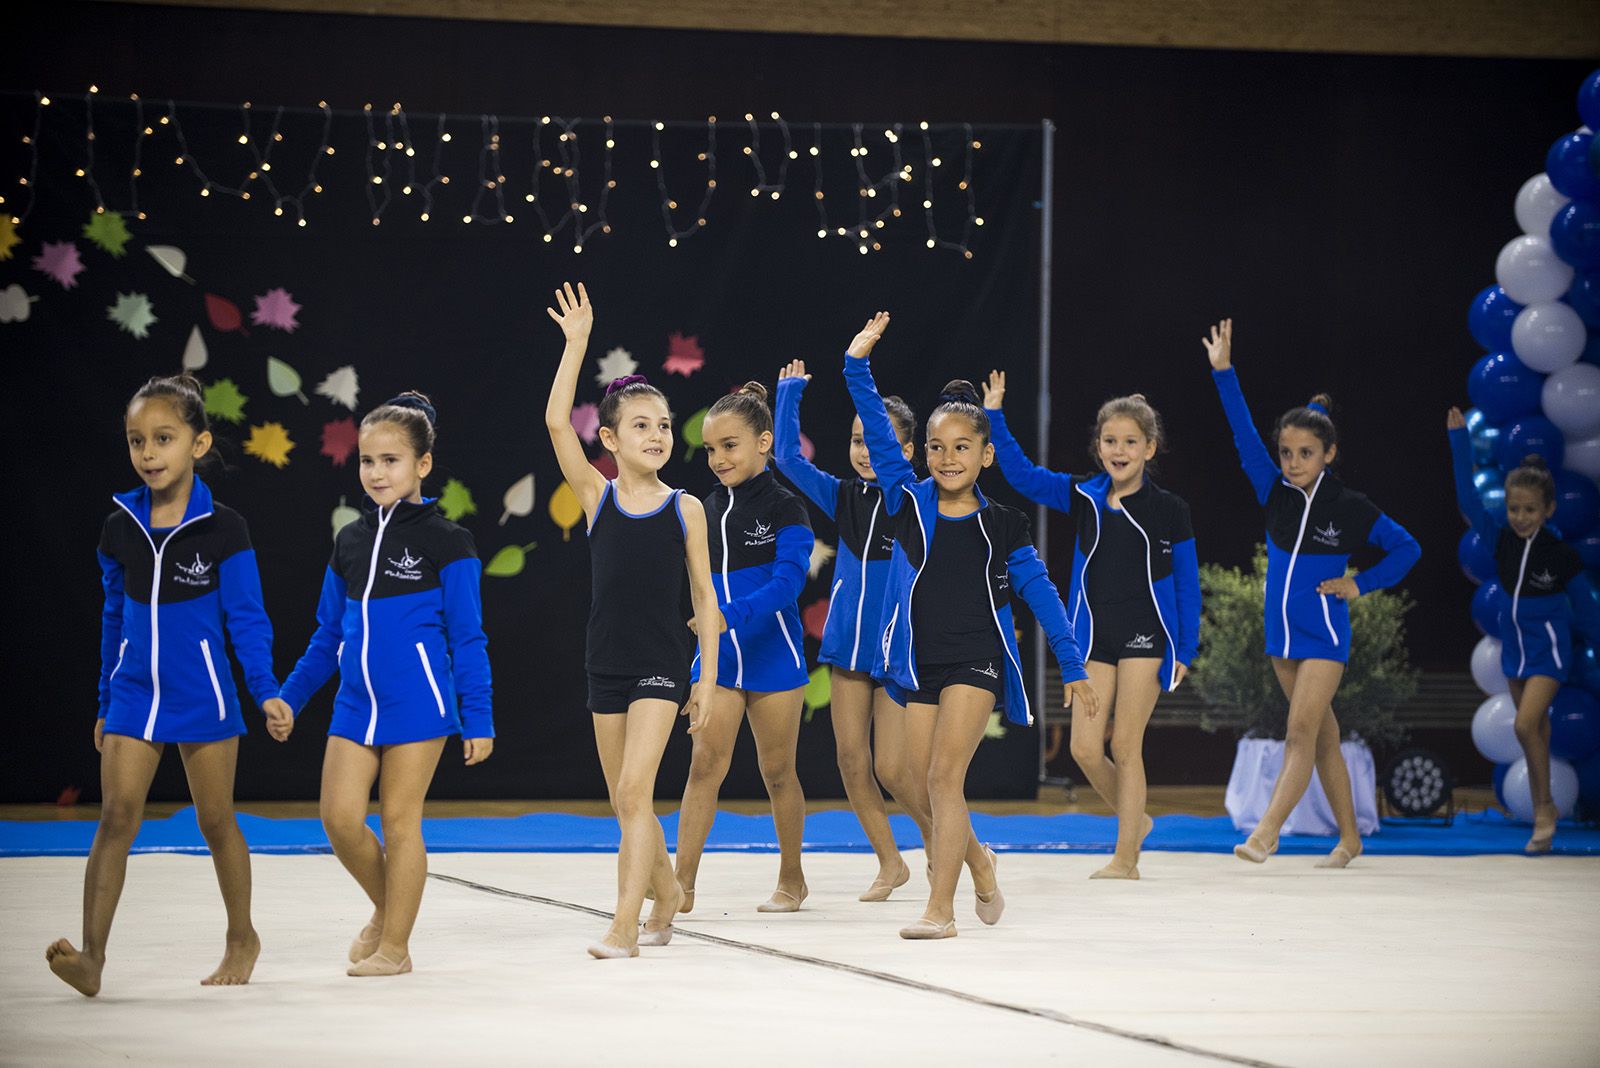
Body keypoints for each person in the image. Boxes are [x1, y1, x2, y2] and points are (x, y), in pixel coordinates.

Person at [842, 312, 1098, 939]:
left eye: (962, 448)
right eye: (936, 447)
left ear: (987, 455)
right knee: (915, 781)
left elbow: (1039, 592)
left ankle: (941, 909)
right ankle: (980, 862)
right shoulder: (909, 503)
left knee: (941, 777)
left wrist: (1069, 661)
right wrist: (857, 365)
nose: (948, 458)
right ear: (921, 455)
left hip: (977, 658)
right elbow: (878, 429)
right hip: (917, 661)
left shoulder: (1004, 523)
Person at [47, 373, 282, 996]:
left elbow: (247, 618)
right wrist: (104, 700)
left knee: (215, 820)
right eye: (136, 441)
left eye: (163, 438)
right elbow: (112, 618)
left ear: (199, 444)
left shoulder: (224, 528)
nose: (148, 453)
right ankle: (92, 958)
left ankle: (242, 936)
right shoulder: (119, 526)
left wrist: (265, 690)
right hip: (133, 694)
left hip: (203, 692)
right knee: (116, 817)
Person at [272, 391, 493, 976]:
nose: (376, 472)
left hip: (419, 702)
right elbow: (327, 636)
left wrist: (480, 718)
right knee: (340, 820)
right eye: (368, 460)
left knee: (400, 824)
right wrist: (290, 698)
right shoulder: (349, 539)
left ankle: (395, 946)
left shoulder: (450, 542)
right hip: (354, 704)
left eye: (391, 460)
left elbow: (468, 639)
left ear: (422, 464)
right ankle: (388, 910)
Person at [544, 282, 719, 956]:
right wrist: (577, 344)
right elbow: (559, 424)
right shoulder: (596, 496)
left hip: (661, 665)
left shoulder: (686, 508)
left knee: (632, 787)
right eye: (640, 425)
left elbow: (705, 599)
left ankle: (625, 924)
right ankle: (667, 892)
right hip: (605, 662)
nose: (656, 435)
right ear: (611, 438)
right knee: (626, 803)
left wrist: (704, 681)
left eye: (665, 425)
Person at [1205, 319, 1419, 867]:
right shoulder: (1272, 490)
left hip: (1324, 633)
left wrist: (1359, 583)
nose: (1293, 462)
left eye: (1305, 453)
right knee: (1323, 738)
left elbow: (1406, 549)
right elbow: (1241, 433)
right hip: (1281, 635)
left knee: (1300, 729)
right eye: (1286, 452)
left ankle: (1266, 834)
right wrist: (1224, 372)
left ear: (1329, 454)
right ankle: (1350, 838)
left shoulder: (1349, 506)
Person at [982, 373, 1199, 878]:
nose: (1118, 451)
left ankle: (1126, 859)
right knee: (1083, 747)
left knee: (1125, 745)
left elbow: (1187, 586)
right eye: (1109, 441)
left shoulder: (1170, 510)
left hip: (1146, 637)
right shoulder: (1085, 496)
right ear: (1097, 447)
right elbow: (1022, 476)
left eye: (1129, 442)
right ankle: (1134, 820)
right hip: (1094, 638)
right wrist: (995, 415)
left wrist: (1185, 649)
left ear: (1150, 447)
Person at [774, 358, 925, 900]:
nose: (864, 450)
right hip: (846, 645)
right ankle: (891, 862)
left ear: (905, 451)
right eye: (857, 439)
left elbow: (889, 464)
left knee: (894, 768)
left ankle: (950, 845)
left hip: (893, 648)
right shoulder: (841, 495)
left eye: (876, 441)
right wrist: (789, 393)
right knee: (850, 760)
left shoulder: (907, 497)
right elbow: (787, 457)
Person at [673, 380, 813, 914]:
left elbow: (787, 586)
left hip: (773, 653)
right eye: (710, 449)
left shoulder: (787, 508)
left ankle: (792, 878)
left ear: (763, 442)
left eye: (729, 446)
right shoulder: (701, 510)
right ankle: (681, 883)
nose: (717, 459)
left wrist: (723, 617)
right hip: (721, 657)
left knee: (778, 772)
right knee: (704, 766)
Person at [1448, 408, 1600, 851]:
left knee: (1524, 725)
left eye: (1529, 510)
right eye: (1514, 508)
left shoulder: (1560, 556)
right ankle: (1544, 811)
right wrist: (1459, 442)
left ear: (1548, 509)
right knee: (1536, 735)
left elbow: (1587, 611)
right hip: (1515, 653)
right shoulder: (1501, 541)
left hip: (1550, 654)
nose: (1520, 516)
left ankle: (1543, 809)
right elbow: (1467, 501)